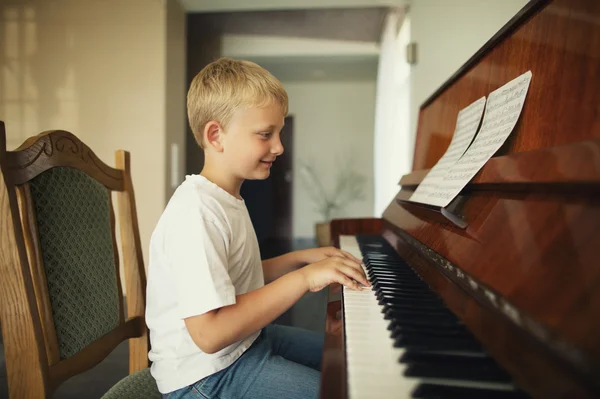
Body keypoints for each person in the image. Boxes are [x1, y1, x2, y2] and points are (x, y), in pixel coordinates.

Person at [145, 57, 370, 399]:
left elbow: (236, 277)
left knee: (350, 358)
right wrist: (305, 279)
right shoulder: (197, 213)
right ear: (215, 135)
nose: (279, 146)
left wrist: (301, 259)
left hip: (246, 344)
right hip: (205, 377)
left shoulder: (224, 197)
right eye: (266, 134)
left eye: (278, 133)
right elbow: (209, 335)